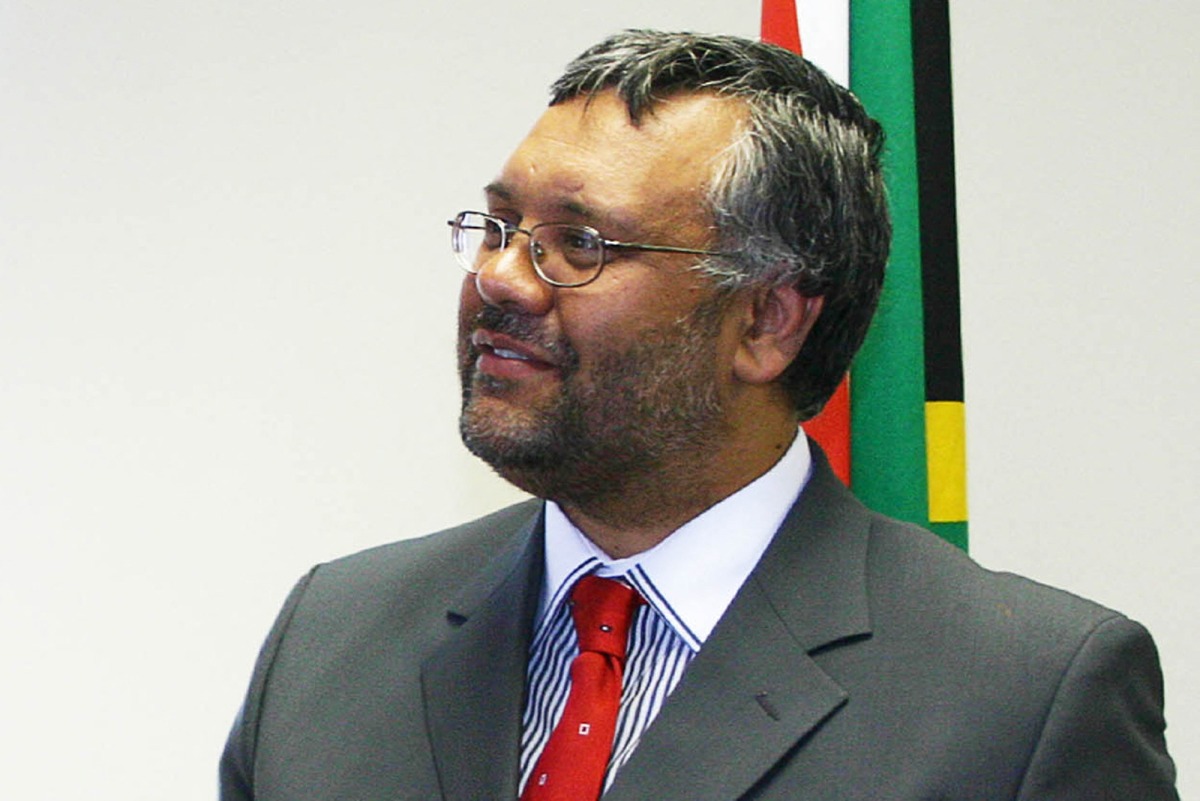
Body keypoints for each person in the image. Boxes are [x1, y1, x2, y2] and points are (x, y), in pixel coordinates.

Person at [219, 30, 1178, 800]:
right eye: (500, 226)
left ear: (766, 319)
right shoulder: (331, 638)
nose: (499, 276)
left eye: (579, 243)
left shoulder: (1025, 698)